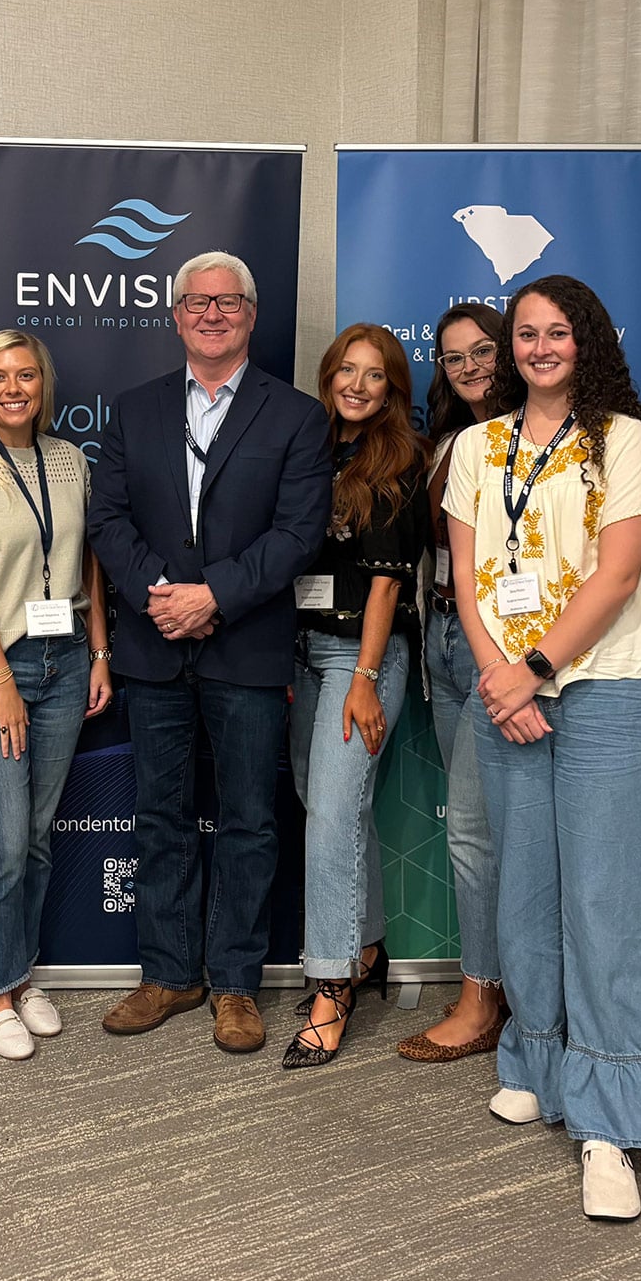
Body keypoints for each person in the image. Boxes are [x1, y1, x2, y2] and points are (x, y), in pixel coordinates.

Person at [443, 274, 641, 1222]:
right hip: (508, 693)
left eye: (558, 332)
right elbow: (464, 573)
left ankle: (612, 1119)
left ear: (588, 342)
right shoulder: (474, 444)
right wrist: (504, 680)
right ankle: (535, 1055)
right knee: (525, 886)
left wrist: (531, 667)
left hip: (608, 690)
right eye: (525, 334)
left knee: (604, 901)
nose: (540, 347)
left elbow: (618, 576)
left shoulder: (621, 441)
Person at [88, 250, 332, 1055]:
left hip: (247, 647)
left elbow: (297, 535)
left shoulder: (295, 416)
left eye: (229, 301)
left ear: (252, 314)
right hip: (154, 645)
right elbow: (108, 522)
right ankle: (168, 973)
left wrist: (213, 597)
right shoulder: (134, 409)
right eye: (197, 302)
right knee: (158, 815)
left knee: (248, 823)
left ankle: (234, 983)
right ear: (176, 315)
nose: (212, 313)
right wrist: (162, 595)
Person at [0, 330, 112, 1060]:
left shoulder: (70, 462)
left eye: (26, 375)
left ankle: (19, 970)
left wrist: (99, 652)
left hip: (65, 662)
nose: (13, 388)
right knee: (3, 843)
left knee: (35, 840)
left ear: (44, 384)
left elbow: (88, 563)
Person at [282, 325, 427, 1068]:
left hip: (360, 656)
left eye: (375, 375)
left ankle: (329, 984)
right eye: (347, 370)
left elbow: (385, 581)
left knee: (334, 814)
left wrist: (365, 677)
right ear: (329, 373)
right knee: (332, 809)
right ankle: (367, 944)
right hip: (304, 651)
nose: (358, 385)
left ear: (393, 387)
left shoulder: (400, 457)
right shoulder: (311, 447)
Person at [398, 302, 512, 1064]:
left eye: (482, 352)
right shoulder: (444, 440)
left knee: (478, 829)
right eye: (452, 356)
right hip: (440, 635)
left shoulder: (534, 437)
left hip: (499, 647)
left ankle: (483, 998)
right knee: (476, 827)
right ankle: (497, 985)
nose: (468, 367)